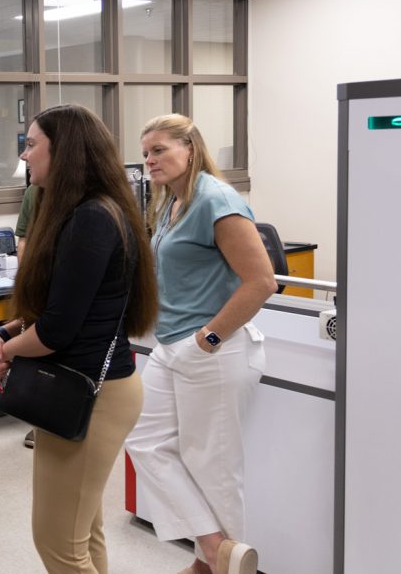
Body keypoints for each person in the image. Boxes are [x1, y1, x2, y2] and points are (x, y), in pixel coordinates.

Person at [0, 105, 157, 573]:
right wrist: (7, 331)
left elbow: (56, 332)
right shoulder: (81, 212)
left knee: (58, 544)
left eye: (32, 144)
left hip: (92, 395)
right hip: (84, 389)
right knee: (82, 534)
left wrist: (4, 350)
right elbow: (57, 308)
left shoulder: (91, 219)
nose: (25, 155)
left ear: (64, 152)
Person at [124, 114, 277, 574]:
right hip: (173, 347)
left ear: (189, 147)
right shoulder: (173, 202)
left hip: (216, 349)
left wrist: (207, 338)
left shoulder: (216, 200)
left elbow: (261, 281)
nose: (149, 160)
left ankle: (211, 564)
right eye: (146, 152)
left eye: (159, 150)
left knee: (213, 466)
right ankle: (216, 550)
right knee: (145, 441)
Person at [13, 184, 39, 449]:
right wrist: (26, 280)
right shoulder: (34, 192)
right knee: (37, 358)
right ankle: (40, 421)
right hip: (38, 285)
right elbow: (24, 239)